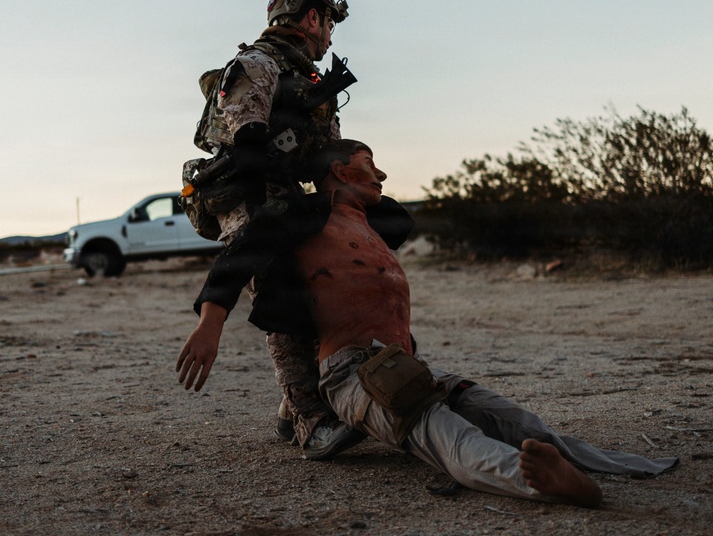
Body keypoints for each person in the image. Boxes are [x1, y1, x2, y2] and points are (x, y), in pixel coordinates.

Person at [178, 139, 677, 506]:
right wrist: (209, 325)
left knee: (518, 421)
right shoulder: (302, 221)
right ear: (340, 170)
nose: (383, 176)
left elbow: (392, 208)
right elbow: (236, 260)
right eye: (369, 165)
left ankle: (626, 466)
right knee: (445, 435)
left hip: (405, 364)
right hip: (352, 374)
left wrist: (357, 186)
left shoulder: (373, 225)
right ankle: (538, 482)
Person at [187, 0, 360, 458]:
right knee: (280, 290)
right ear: (310, 19)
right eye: (327, 23)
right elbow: (247, 150)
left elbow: (327, 155)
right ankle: (310, 420)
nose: (330, 36)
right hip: (247, 193)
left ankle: (294, 405)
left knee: (327, 284)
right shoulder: (256, 65)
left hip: (287, 194)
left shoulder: (310, 82)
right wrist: (271, 222)